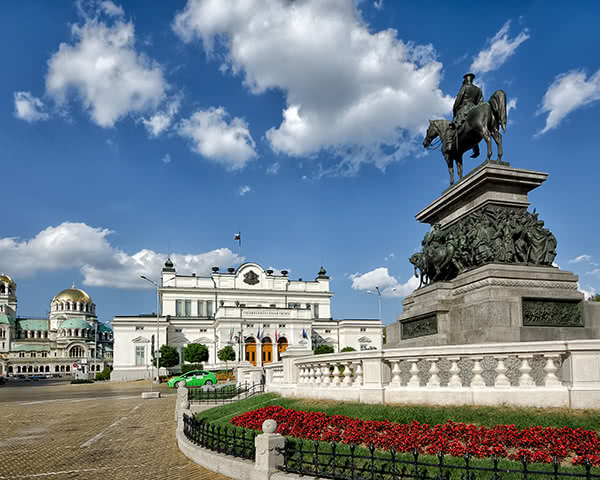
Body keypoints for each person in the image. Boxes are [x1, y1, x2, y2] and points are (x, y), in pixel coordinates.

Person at [446, 73, 483, 157]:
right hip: (474, 108)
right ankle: (476, 149)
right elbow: (480, 101)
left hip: (464, 109)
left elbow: (458, 100)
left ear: (466, 79)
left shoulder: (464, 87)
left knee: (451, 126)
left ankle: (449, 145)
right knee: (476, 128)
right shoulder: (478, 89)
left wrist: (455, 111)